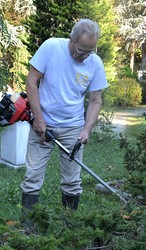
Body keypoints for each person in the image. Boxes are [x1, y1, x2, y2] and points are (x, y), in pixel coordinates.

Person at [20, 18, 108, 214]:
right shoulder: (51, 47)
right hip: (42, 125)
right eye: (81, 50)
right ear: (72, 40)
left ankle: (70, 225)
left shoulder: (95, 63)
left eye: (90, 51)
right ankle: (28, 226)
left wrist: (86, 129)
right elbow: (31, 82)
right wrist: (39, 119)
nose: (85, 55)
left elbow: (95, 100)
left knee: (72, 181)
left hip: (73, 129)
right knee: (33, 176)